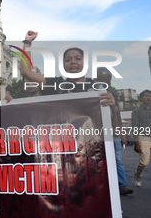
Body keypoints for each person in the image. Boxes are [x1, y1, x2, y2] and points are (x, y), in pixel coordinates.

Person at [20, 31, 117, 126]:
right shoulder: (57, 85)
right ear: (63, 66)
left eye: (78, 58)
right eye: (68, 60)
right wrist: (27, 42)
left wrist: (112, 108)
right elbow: (26, 72)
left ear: (86, 64)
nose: (73, 62)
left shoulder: (99, 88)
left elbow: (113, 128)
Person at [95, 67, 133, 195]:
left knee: (118, 161)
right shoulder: (93, 98)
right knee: (100, 162)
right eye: (100, 77)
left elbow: (118, 122)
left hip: (115, 136)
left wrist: (123, 136)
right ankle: (104, 187)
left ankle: (122, 186)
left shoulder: (113, 102)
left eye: (106, 79)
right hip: (100, 136)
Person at [132, 89, 151, 187]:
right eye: (146, 96)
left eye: (150, 96)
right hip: (143, 137)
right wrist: (136, 143)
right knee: (144, 162)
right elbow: (135, 127)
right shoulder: (136, 111)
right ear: (141, 98)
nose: (149, 98)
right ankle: (138, 174)